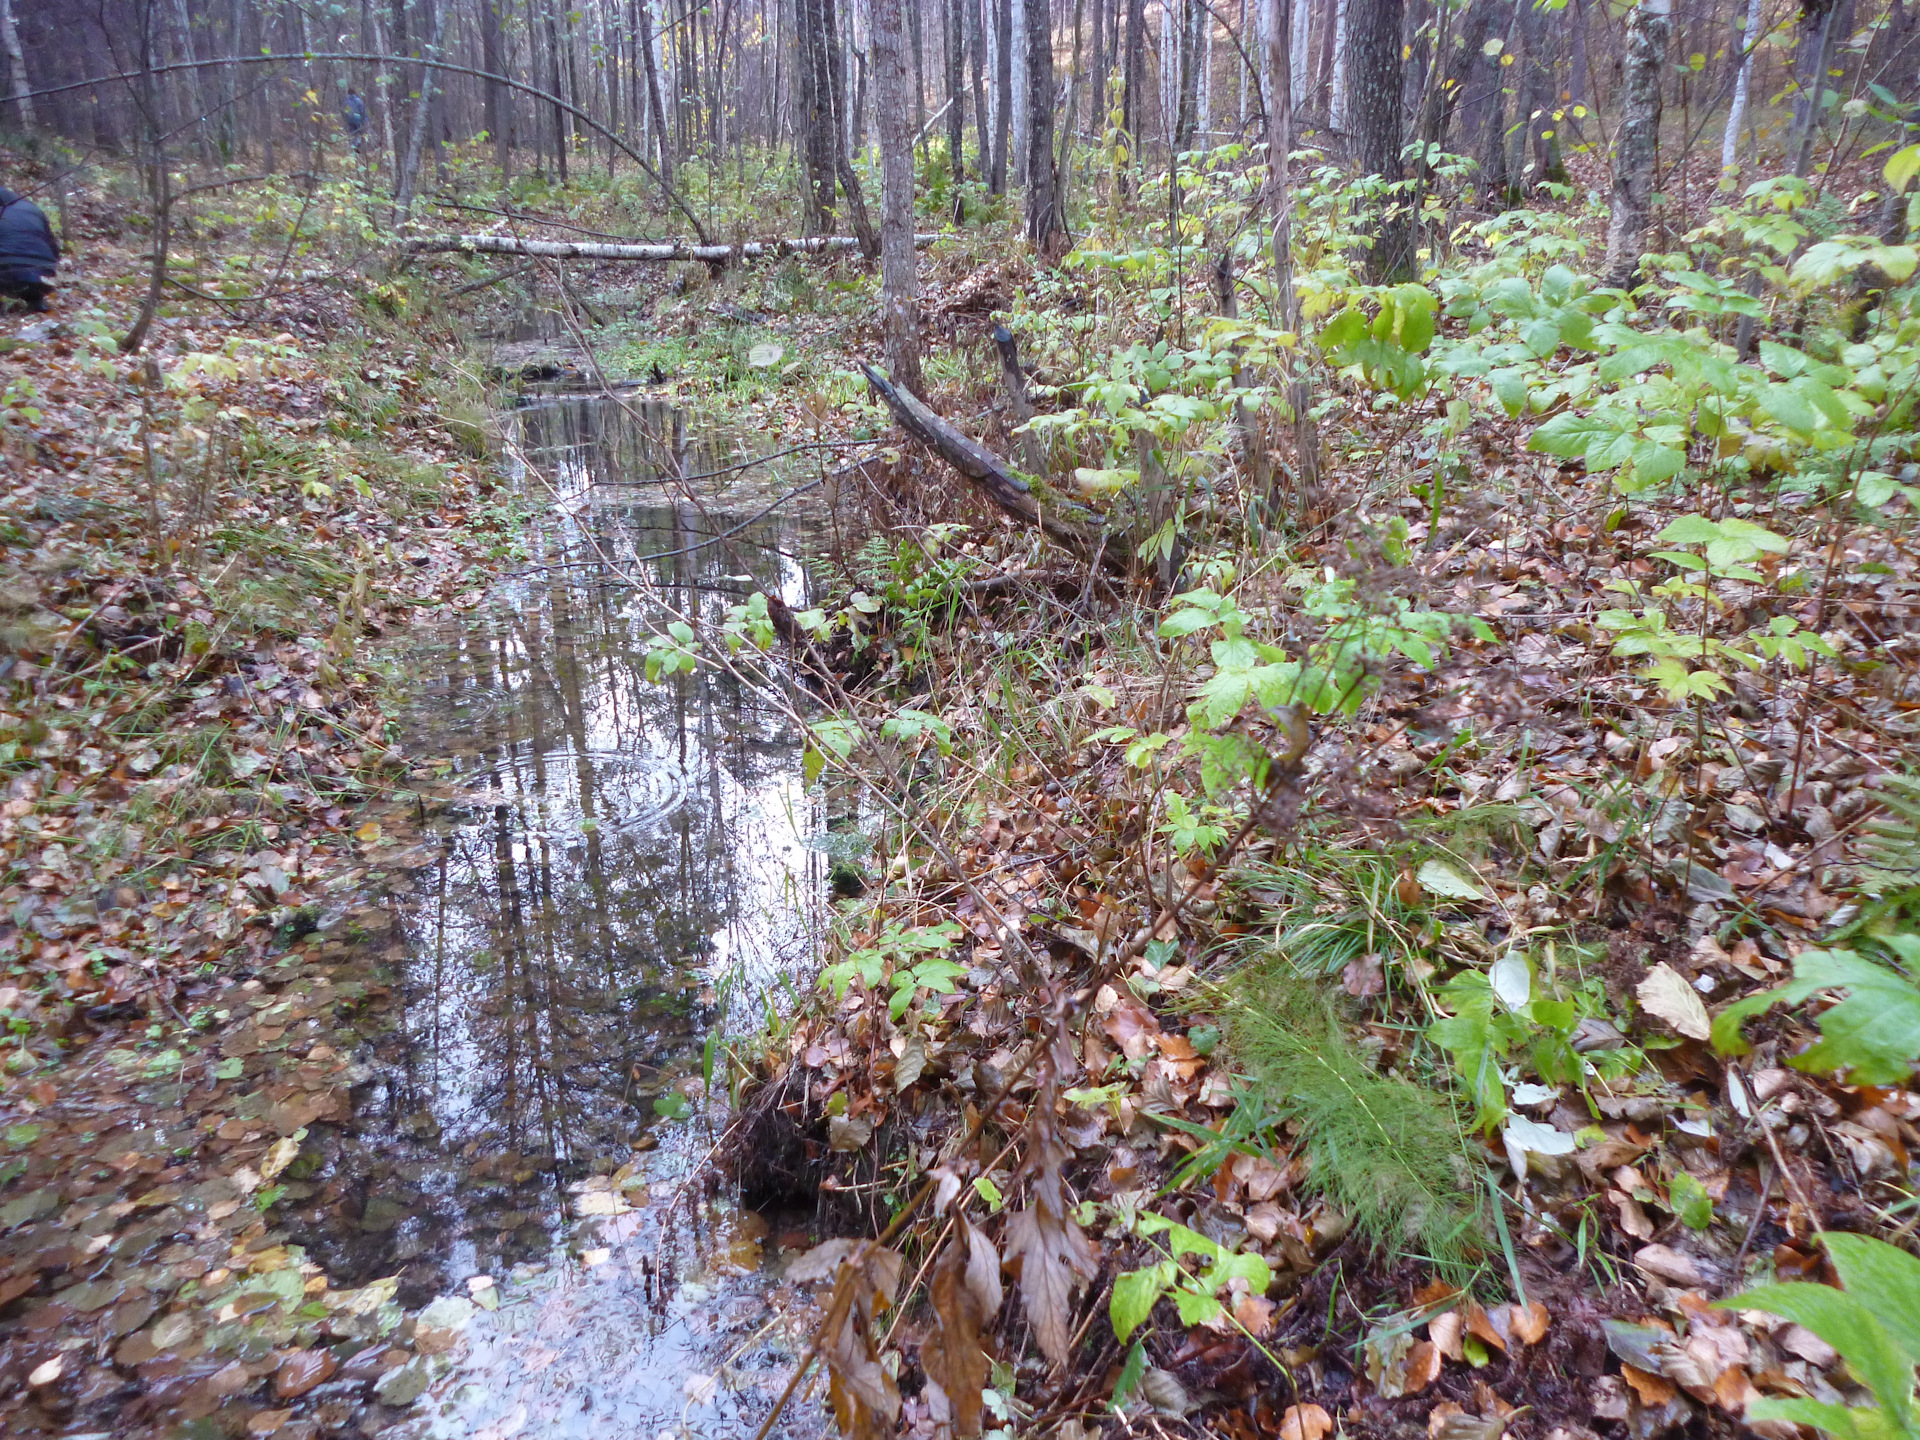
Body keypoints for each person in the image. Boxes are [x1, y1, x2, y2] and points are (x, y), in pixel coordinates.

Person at [0, 187, 59, 314]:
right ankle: (36, 301)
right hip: (43, 272)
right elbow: (53, 247)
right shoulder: (33, 209)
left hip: (4, 273)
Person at [343, 88, 368, 153]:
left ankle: (353, 148)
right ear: (354, 93)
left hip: (349, 119)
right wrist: (366, 119)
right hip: (357, 118)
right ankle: (356, 146)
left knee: (352, 133)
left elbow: (345, 111)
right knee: (359, 133)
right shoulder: (358, 100)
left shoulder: (346, 101)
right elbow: (362, 110)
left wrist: (346, 118)